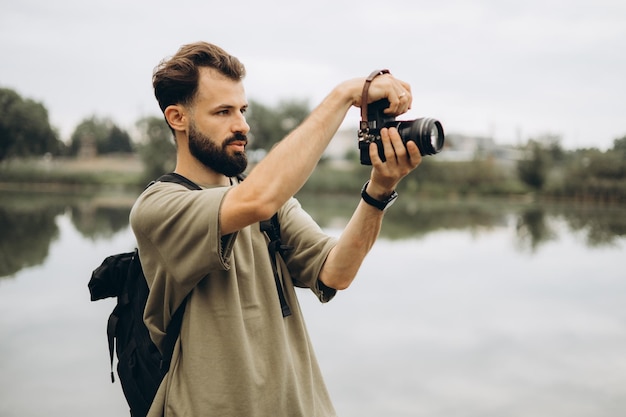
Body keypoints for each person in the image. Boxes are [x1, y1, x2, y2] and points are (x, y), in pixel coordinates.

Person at [129, 41, 421, 417]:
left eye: (242, 110)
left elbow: (335, 273)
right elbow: (258, 199)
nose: (242, 125)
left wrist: (379, 190)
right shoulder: (159, 208)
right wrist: (344, 96)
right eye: (222, 112)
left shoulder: (267, 203)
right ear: (177, 117)